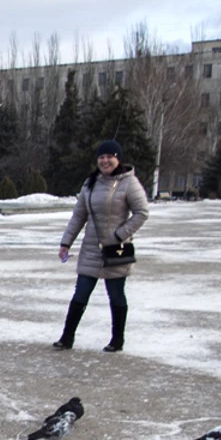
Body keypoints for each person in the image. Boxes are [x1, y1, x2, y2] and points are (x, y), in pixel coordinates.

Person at [51, 139, 149, 352]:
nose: (105, 161)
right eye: (101, 157)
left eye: (109, 157)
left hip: (116, 249)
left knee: (116, 294)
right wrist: (66, 242)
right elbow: (79, 215)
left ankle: (117, 340)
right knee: (80, 294)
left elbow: (142, 212)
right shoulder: (90, 183)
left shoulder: (129, 183)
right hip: (91, 249)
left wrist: (120, 234)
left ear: (117, 159)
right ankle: (67, 337)